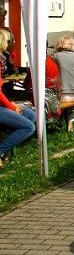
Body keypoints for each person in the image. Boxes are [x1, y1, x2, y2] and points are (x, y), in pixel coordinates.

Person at [0, 29, 35, 167]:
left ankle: (6, 145)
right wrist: (11, 106)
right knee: (29, 127)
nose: (10, 43)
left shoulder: (3, 58)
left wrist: (10, 104)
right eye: (9, 41)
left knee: (31, 114)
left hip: (3, 103)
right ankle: (2, 150)